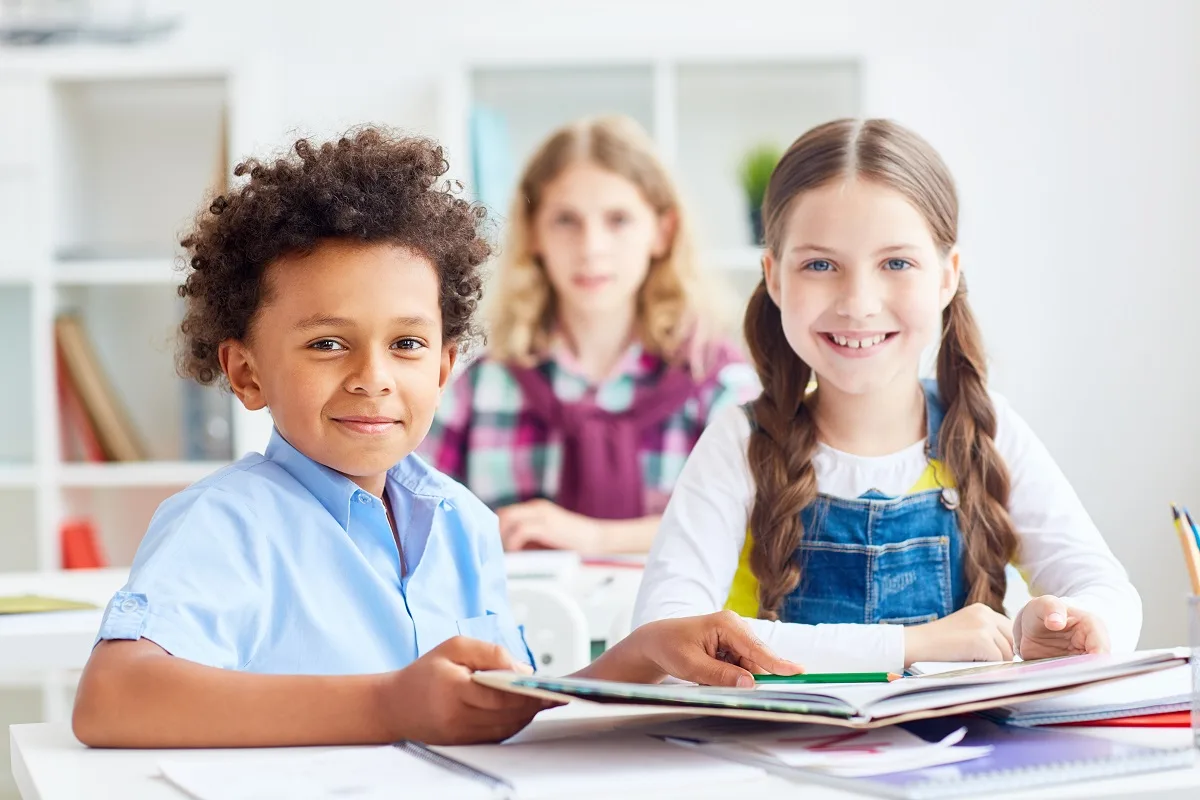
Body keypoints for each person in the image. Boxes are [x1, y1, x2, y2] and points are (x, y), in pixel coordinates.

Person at [70, 128, 800, 749]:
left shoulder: (463, 524)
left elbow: (504, 710)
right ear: (246, 371)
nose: (372, 377)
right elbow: (111, 698)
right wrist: (389, 704)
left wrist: (642, 657)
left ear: (447, 364)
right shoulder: (224, 525)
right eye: (328, 344)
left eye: (408, 345)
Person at [632, 118, 1141, 673]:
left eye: (896, 263)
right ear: (774, 278)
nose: (858, 302)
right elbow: (667, 637)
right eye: (820, 265)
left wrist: (1075, 624)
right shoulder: (739, 444)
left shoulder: (988, 430)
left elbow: (1104, 588)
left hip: (959, 755)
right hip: (768, 755)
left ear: (947, 277)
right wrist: (910, 645)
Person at [420, 116, 759, 555]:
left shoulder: (718, 383)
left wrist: (594, 538)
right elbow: (413, 515)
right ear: (534, 232)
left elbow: (754, 525)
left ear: (662, 232)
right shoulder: (480, 386)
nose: (591, 247)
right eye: (566, 220)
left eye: (618, 220)